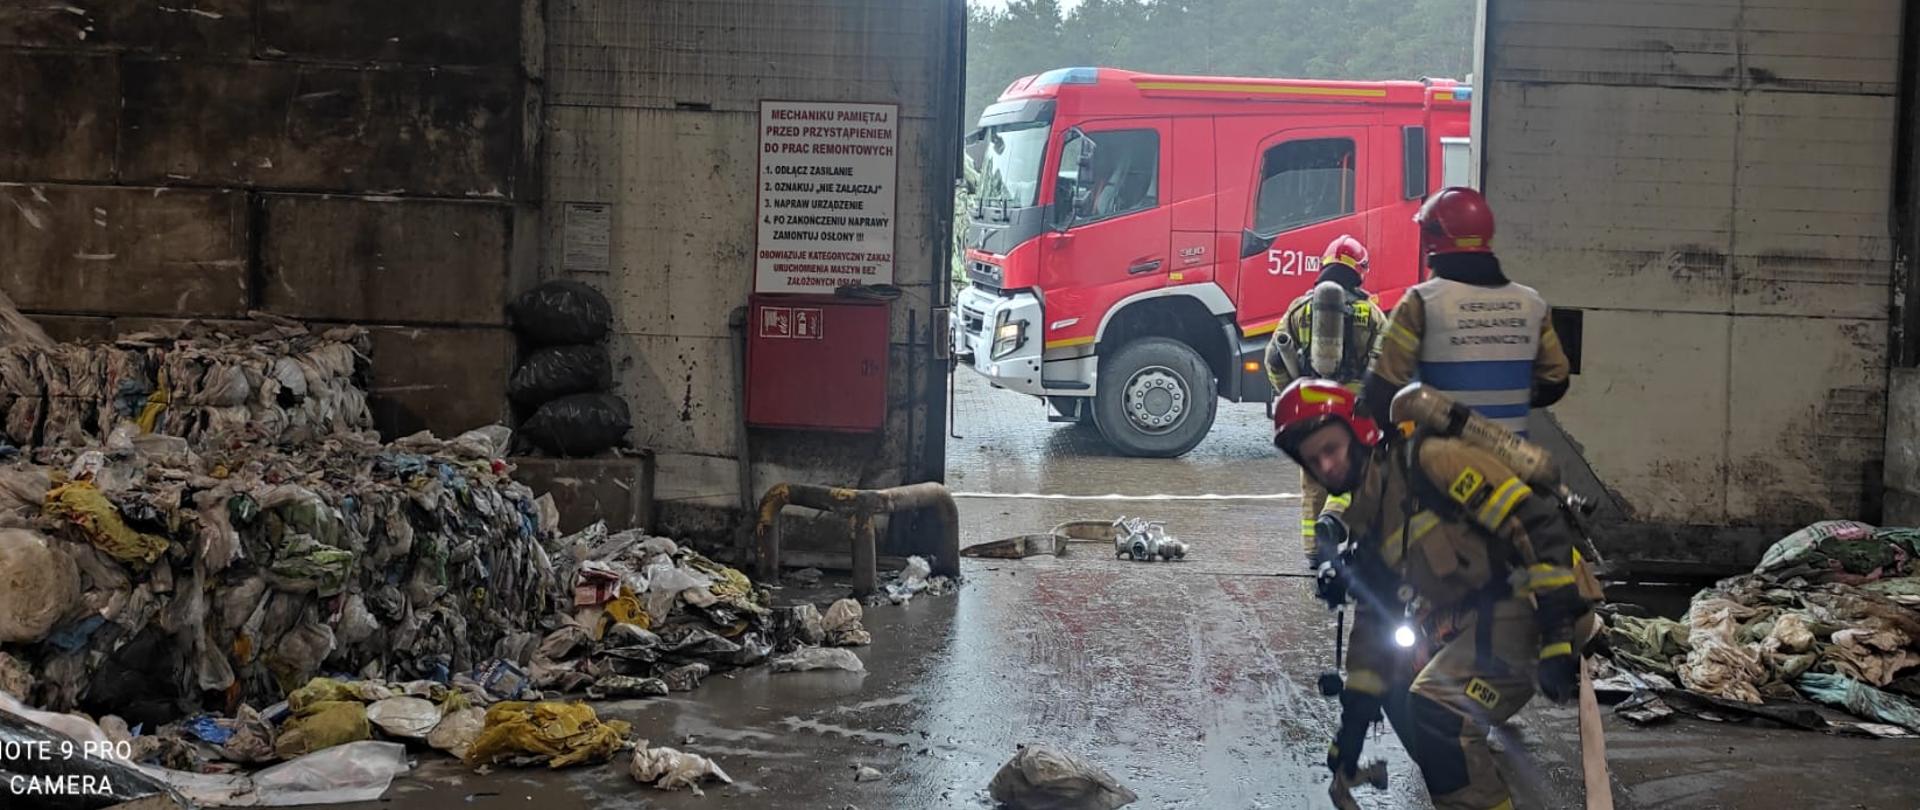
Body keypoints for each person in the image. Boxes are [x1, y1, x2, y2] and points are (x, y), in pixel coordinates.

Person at [1272, 377, 1600, 810]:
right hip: (1481, 613)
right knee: (1397, 683)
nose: (1326, 466)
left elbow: (1538, 527)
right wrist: (1349, 740)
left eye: (1331, 448)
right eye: (1313, 460)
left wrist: (1558, 635)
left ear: (1360, 432)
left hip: (1541, 604)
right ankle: (1459, 778)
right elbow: (1372, 638)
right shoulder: (1371, 514)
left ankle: (1465, 781)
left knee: (1439, 709)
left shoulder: (1433, 461)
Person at [1361, 187, 1569, 438]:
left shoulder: (1421, 303)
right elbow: (1556, 383)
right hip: (1512, 469)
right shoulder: (1532, 304)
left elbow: (1380, 390)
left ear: (1430, 237)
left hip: (1440, 467)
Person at [1265, 234, 1381, 561]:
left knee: (1313, 480)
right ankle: (1335, 519)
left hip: (1312, 407)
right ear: (1360, 270)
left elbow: (1273, 360)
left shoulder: (1299, 310)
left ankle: (1315, 552)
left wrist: (1290, 392)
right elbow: (1385, 364)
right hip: (1353, 409)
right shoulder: (1370, 314)